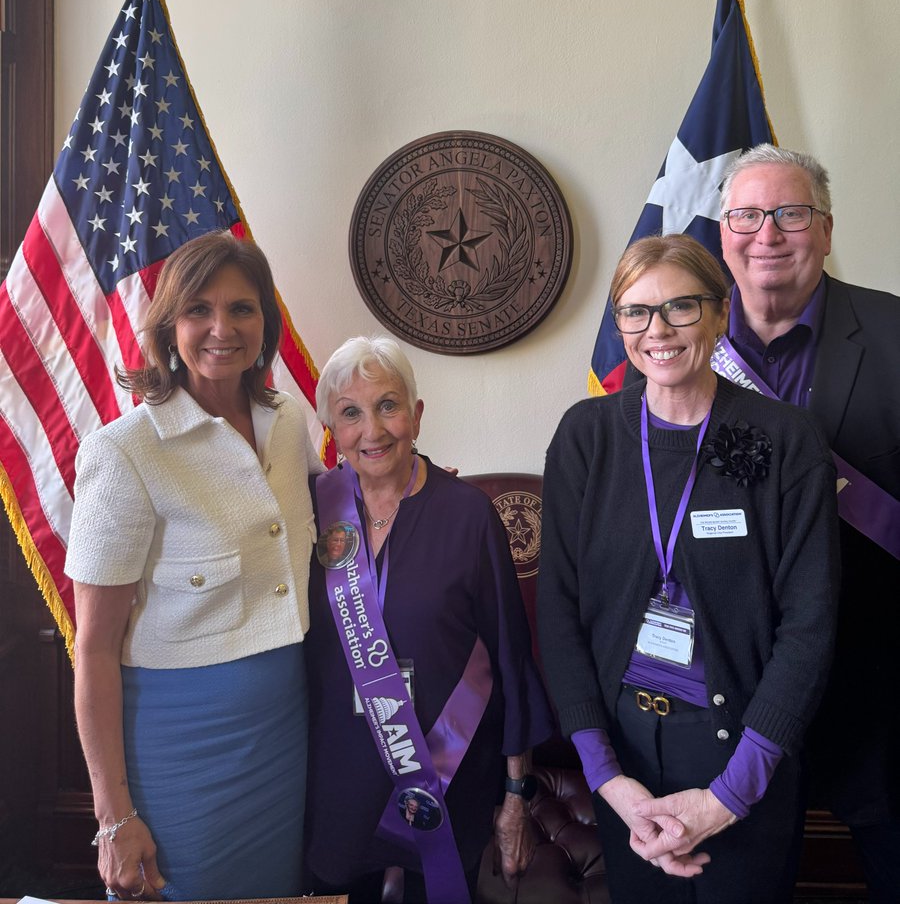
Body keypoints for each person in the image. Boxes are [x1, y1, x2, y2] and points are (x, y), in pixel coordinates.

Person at [538, 234, 839, 904]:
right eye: (636, 311)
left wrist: (731, 795)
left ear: (721, 312)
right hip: (625, 761)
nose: (658, 330)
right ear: (620, 326)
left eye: (681, 306)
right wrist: (608, 779)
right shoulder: (585, 437)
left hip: (745, 754)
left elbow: (810, 625)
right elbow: (558, 610)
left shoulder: (788, 439)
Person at [65, 232, 323, 902]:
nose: (221, 328)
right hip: (181, 745)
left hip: (285, 728)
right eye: (198, 310)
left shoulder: (287, 421)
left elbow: (338, 508)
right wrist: (113, 818)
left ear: (264, 322)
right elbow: (92, 649)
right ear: (168, 326)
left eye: (242, 309)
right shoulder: (124, 451)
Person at [303, 335, 553, 904]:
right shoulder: (313, 510)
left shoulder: (468, 513)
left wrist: (516, 797)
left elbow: (510, 659)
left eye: (388, 405)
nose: (372, 430)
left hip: (448, 774)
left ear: (416, 416)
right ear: (332, 429)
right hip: (338, 777)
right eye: (350, 413)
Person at [718, 144, 900, 903]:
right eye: (747, 216)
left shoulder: (893, 331)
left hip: (878, 690)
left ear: (825, 230)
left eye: (791, 214)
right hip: (732, 696)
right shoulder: (678, 347)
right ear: (723, 232)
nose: (768, 234)